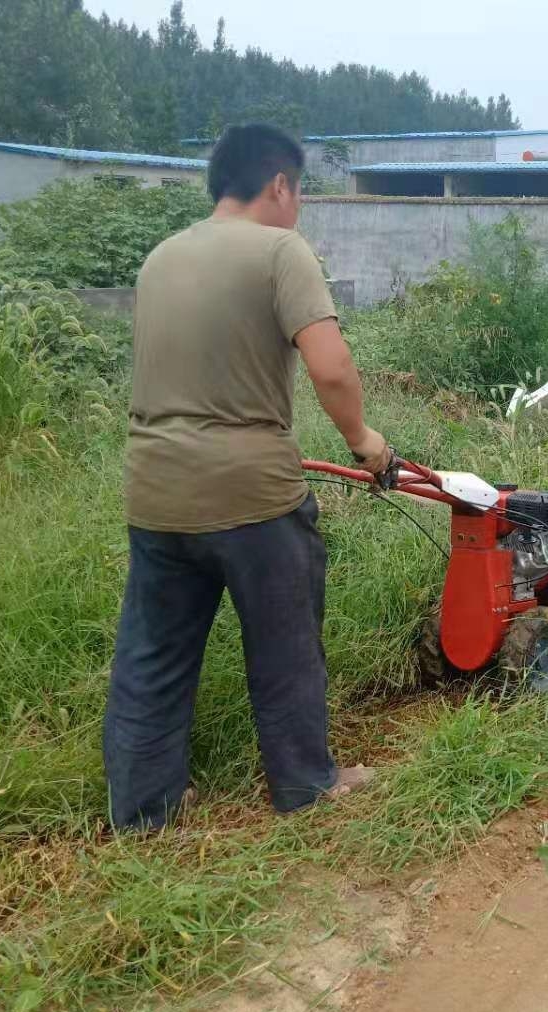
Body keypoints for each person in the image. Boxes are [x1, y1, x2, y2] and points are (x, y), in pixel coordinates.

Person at [103, 123, 391, 830]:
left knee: (154, 654)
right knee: (286, 643)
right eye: (300, 193)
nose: (298, 209)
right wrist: (365, 441)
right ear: (280, 185)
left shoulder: (161, 257)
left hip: (154, 491)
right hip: (250, 495)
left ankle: (144, 807)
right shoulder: (279, 250)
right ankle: (305, 784)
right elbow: (330, 366)